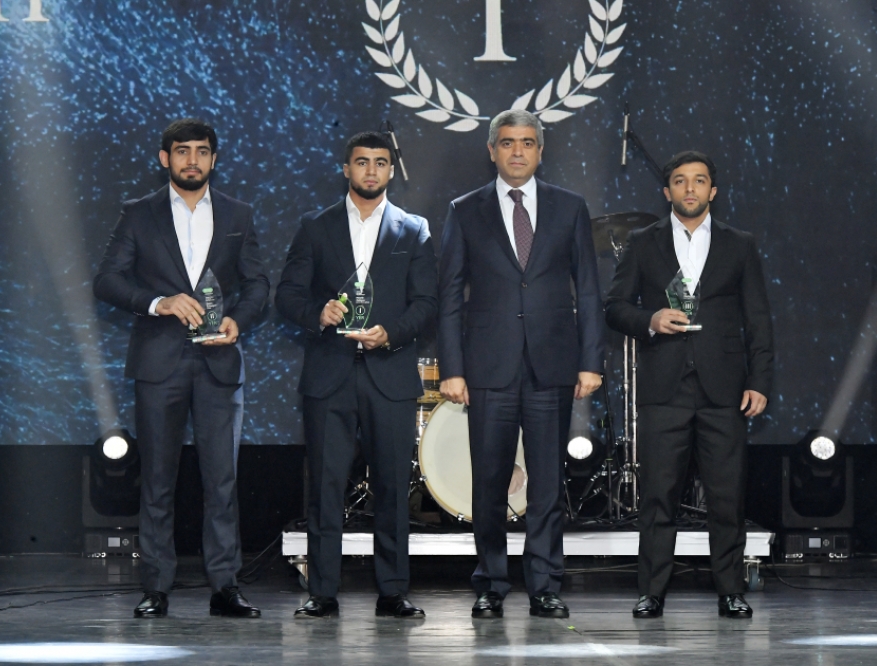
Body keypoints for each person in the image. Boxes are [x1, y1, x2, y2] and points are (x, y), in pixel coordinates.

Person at [93, 118, 269, 618]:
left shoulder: (238, 214)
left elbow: (259, 284)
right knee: (157, 481)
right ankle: (156, 587)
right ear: (164, 158)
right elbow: (107, 280)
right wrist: (159, 303)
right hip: (159, 363)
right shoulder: (139, 213)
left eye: (202, 151)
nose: (193, 160)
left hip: (219, 362)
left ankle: (225, 586)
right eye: (183, 151)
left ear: (214, 158)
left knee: (222, 481)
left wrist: (238, 319)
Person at [437, 110, 605, 619]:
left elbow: (589, 291)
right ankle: (490, 582)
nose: (517, 151)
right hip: (488, 366)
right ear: (491, 150)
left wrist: (590, 361)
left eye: (527, 143)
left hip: (552, 365)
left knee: (547, 485)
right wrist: (452, 368)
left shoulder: (569, 207)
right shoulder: (465, 210)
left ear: (540, 150)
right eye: (507, 142)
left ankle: (544, 585)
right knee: (489, 482)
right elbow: (449, 295)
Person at [604, 151, 774, 619]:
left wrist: (760, 380)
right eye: (680, 181)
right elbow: (614, 307)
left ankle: (730, 590)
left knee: (726, 496)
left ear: (712, 191)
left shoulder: (740, 244)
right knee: (658, 495)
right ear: (667, 192)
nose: (690, 188)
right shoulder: (643, 242)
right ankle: (651, 592)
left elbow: (758, 319)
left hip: (725, 389)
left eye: (699, 181)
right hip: (664, 387)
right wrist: (651, 319)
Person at [275, 132, 437, 619]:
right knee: (326, 488)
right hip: (330, 375)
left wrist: (391, 333)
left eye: (380, 162)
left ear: (391, 170)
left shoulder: (414, 229)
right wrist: (317, 313)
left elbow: (427, 303)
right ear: (346, 168)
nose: (371, 170)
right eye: (362, 162)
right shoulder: (315, 226)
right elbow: (287, 295)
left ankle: (393, 591)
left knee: (393, 489)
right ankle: (322, 591)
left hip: (390, 373)